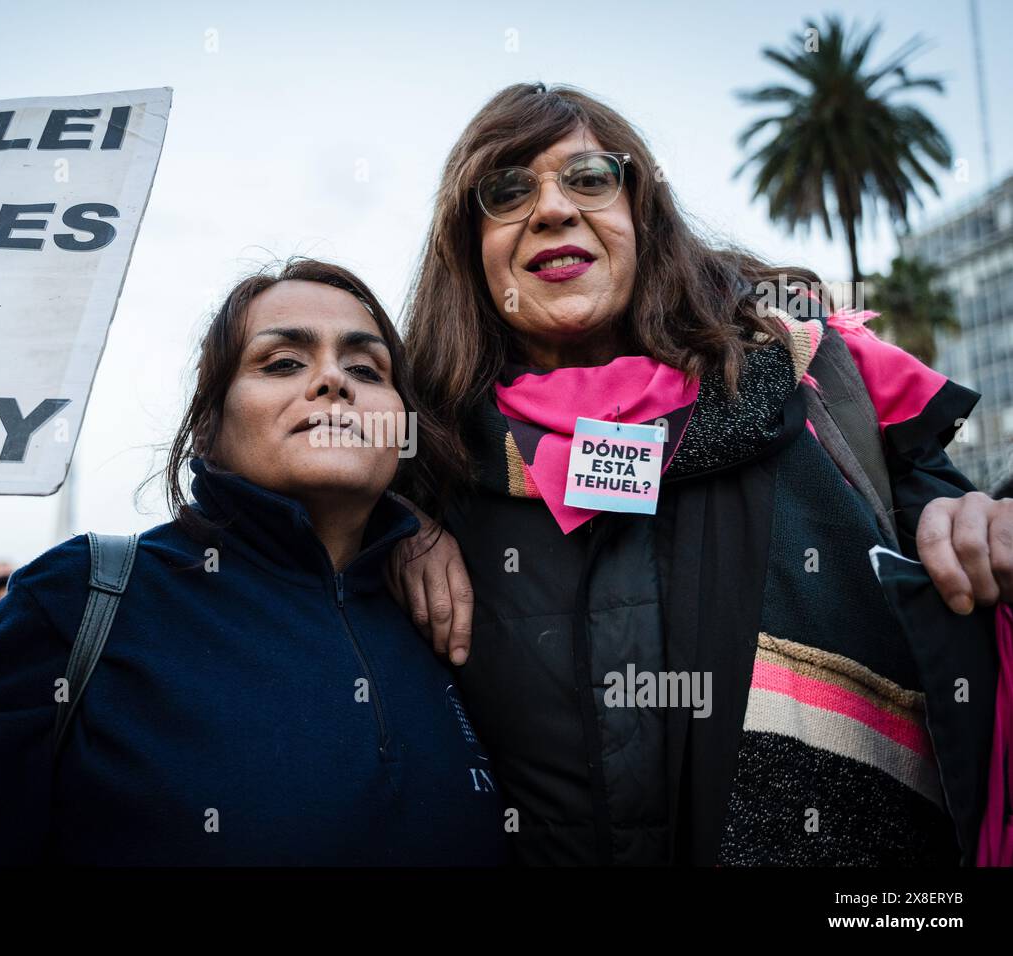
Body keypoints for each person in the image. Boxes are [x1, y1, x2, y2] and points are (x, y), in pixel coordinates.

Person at [387, 82, 1010, 865]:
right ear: (469, 248)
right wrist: (398, 529)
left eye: (589, 178)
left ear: (642, 215)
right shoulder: (423, 469)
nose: (551, 209)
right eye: (507, 191)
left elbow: (957, 521)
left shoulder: (817, 388)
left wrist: (978, 520)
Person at [0, 258, 507, 867]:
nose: (333, 380)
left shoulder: (453, 610)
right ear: (208, 427)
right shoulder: (80, 600)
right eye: (280, 363)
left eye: (367, 370)